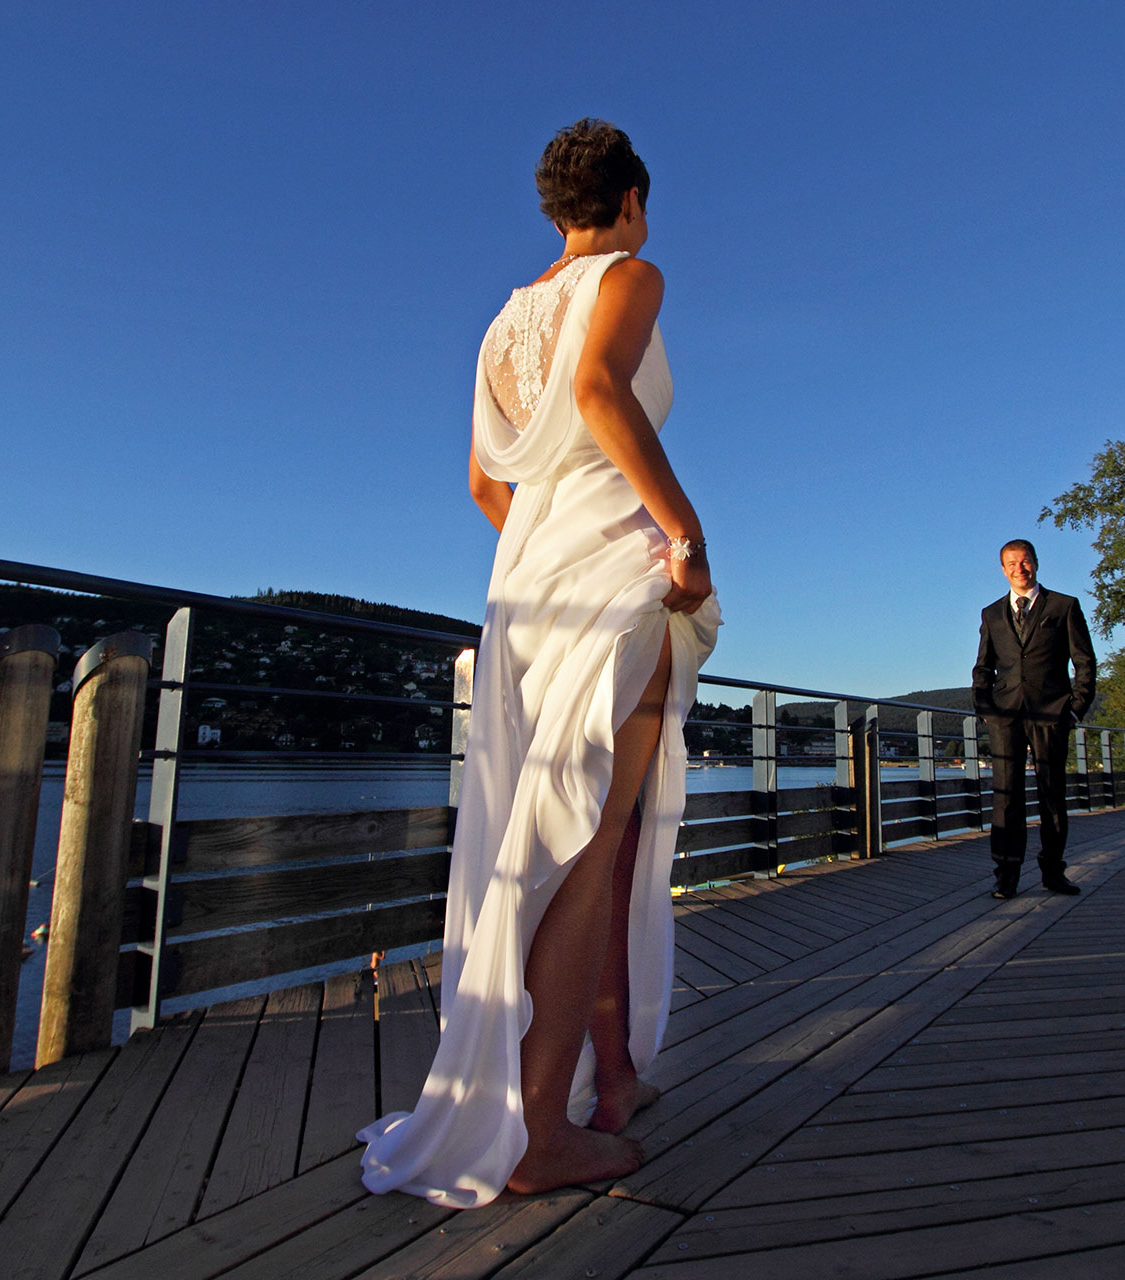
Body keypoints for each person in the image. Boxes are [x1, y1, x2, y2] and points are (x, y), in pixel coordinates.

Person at [359, 119, 719, 1207]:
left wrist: (550, 537)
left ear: (554, 205)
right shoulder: (633, 272)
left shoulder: (503, 324)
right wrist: (681, 536)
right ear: (632, 198)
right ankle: (535, 1132)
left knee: (573, 839)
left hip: (525, 592)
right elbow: (606, 393)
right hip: (615, 577)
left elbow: (484, 485)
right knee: (592, 839)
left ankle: (612, 1076)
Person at [971, 539, 1096, 899]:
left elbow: (1084, 663)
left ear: (1036, 563)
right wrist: (985, 707)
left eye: (1024, 562)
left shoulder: (1064, 606)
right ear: (1003, 569)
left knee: (1051, 796)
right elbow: (983, 667)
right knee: (1006, 798)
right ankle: (1006, 876)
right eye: (1011, 564)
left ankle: (1053, 873)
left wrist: (1075, 708)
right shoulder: (992, 614)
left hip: (1052, 715)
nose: (1019, 569)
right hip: (1005, 717)